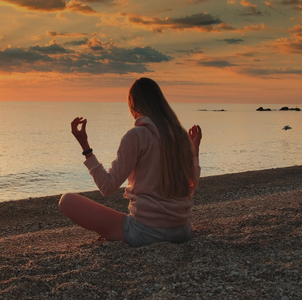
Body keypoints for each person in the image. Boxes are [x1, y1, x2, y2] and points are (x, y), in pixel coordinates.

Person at [58, 77, 202, 247]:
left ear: (133, 104)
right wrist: (194, 150)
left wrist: (85, 146)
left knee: (66, 200)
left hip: (145, 233)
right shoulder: (180, 135)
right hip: (182, 231)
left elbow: (108, 187)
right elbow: (192, 184)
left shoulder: (137, 136)